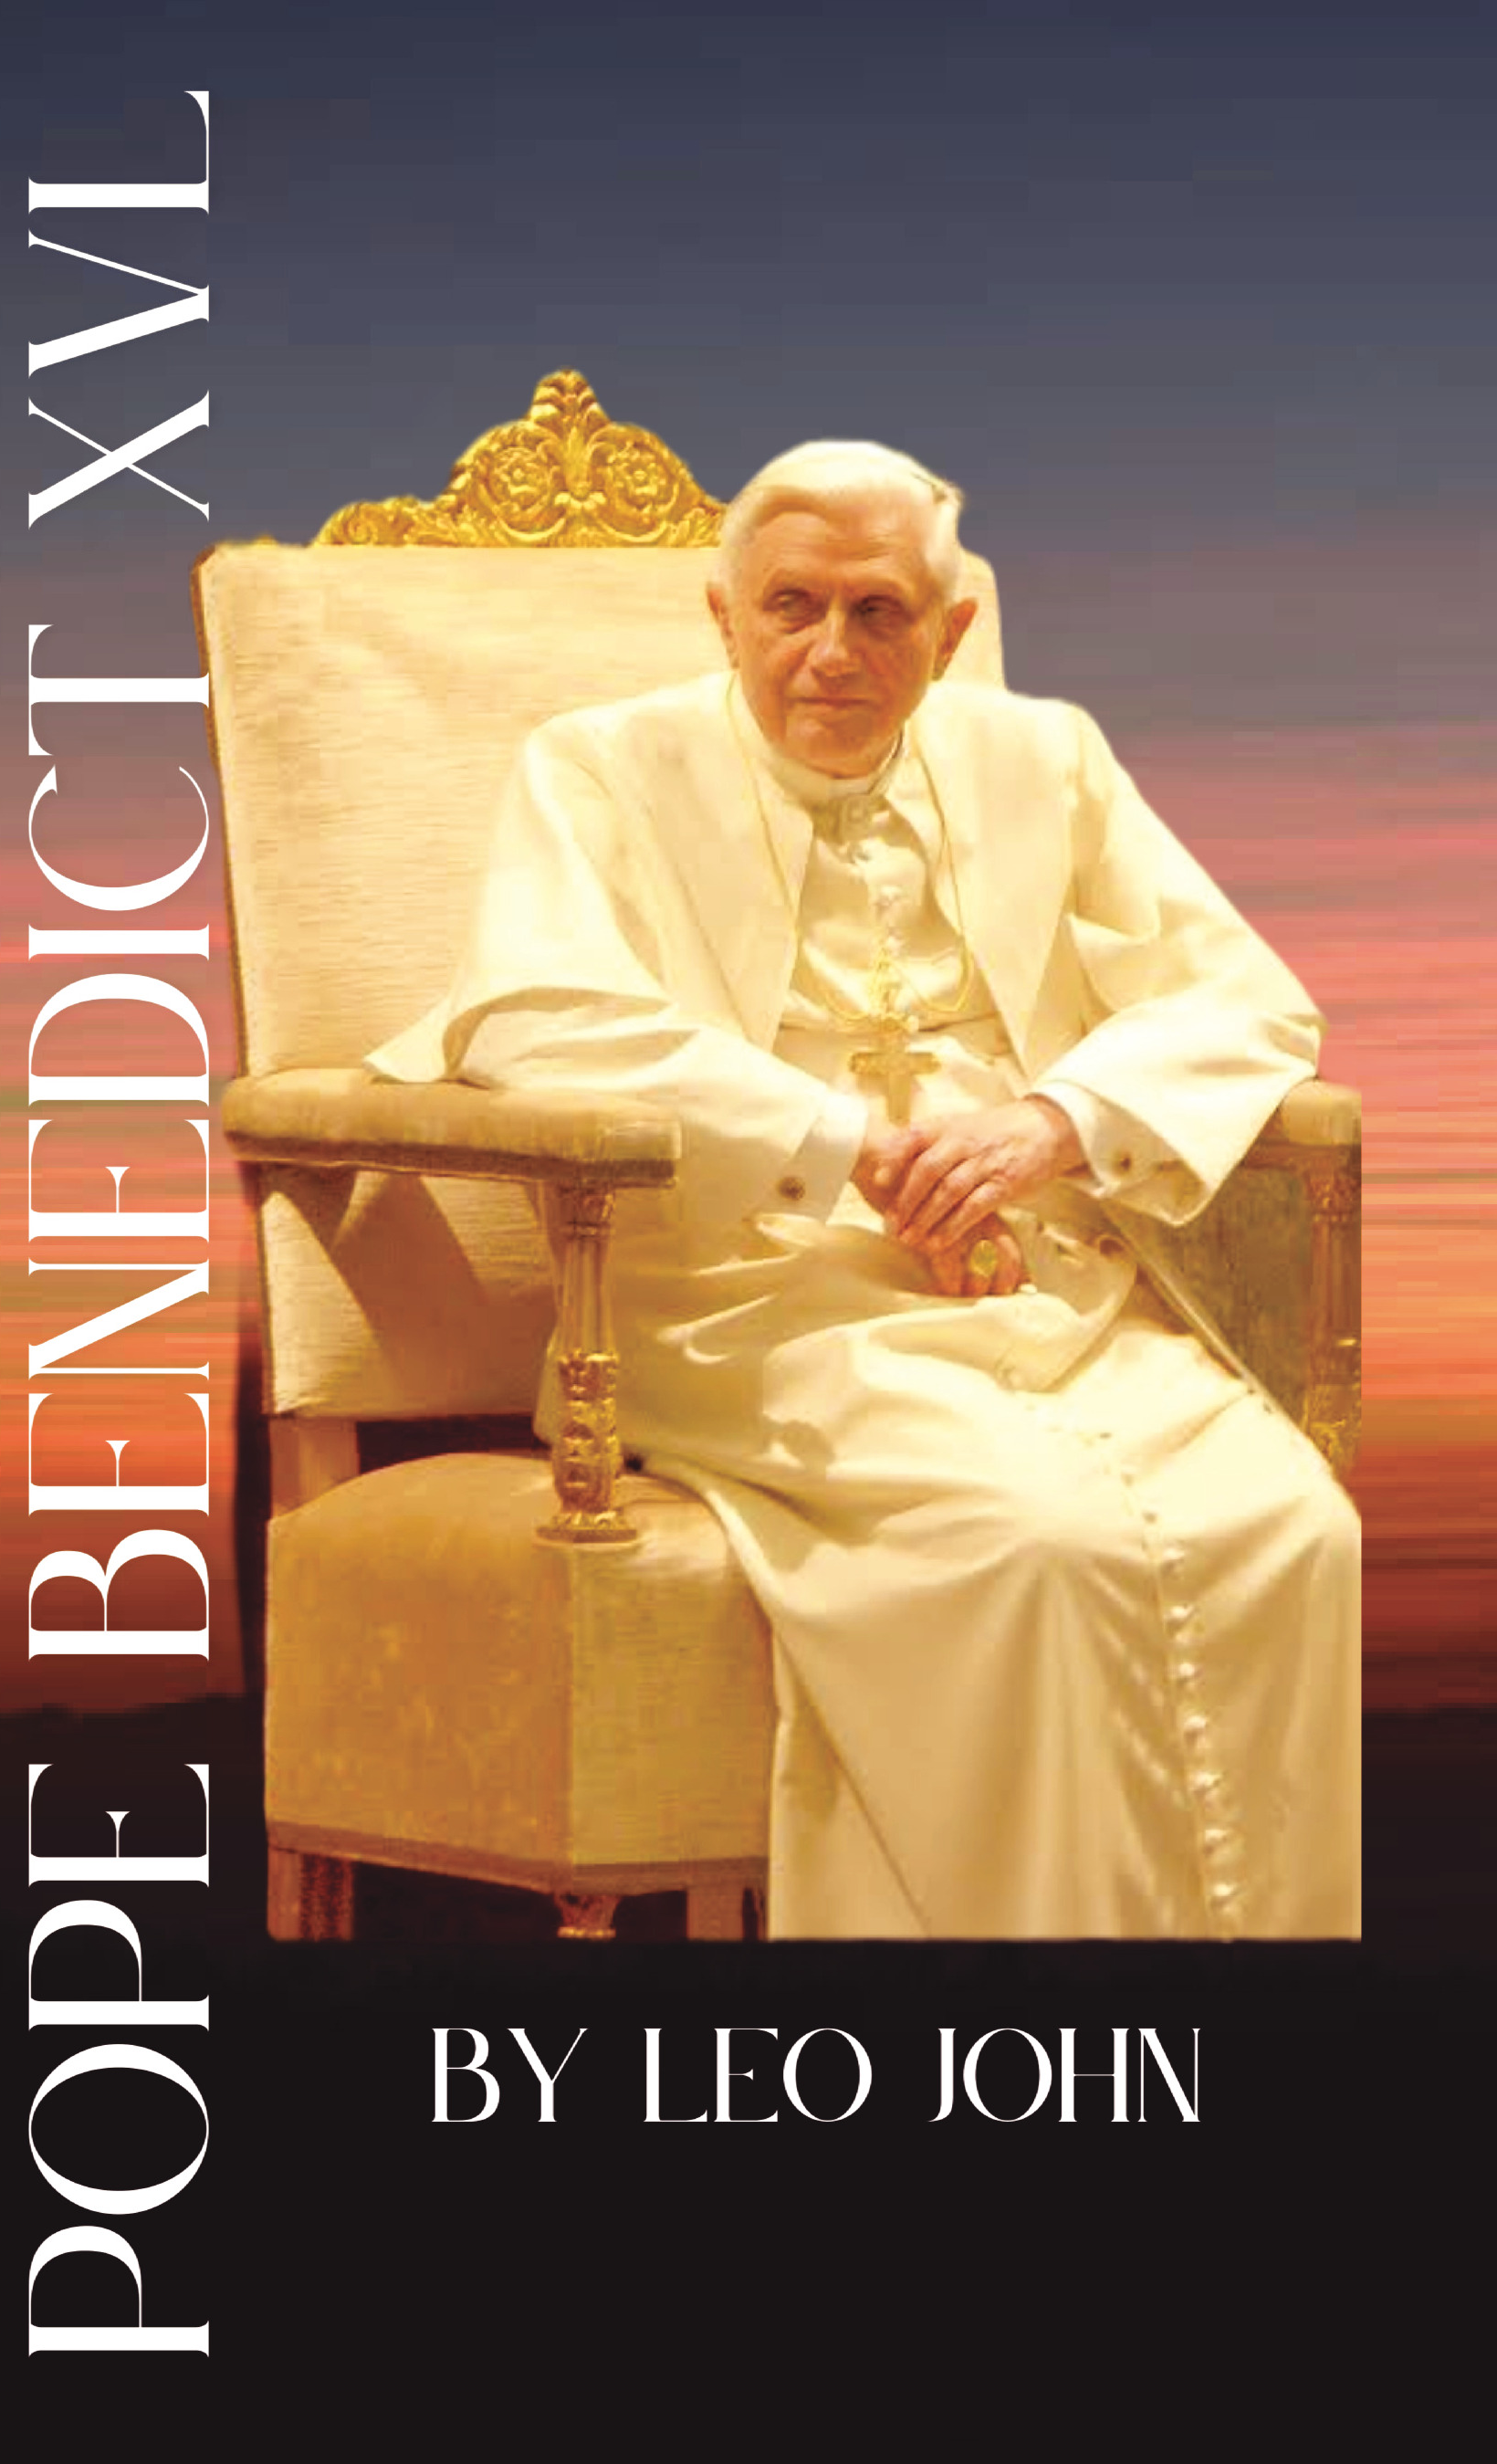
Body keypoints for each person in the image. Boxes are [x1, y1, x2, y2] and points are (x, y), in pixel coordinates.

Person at [369, 440, 1361, 1941]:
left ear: (948, 635)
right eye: (791, 606)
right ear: (724, 616)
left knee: (1298, 1533)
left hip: (1047, 1283)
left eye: (878, 612)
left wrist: (1059, 1121)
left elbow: (1248, 1001)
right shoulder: (597, 767)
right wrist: (848, 1147)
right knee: (1040, 1541)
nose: (830, 652)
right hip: (752, 1302)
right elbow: (530, 1016)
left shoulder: (1048, 758)